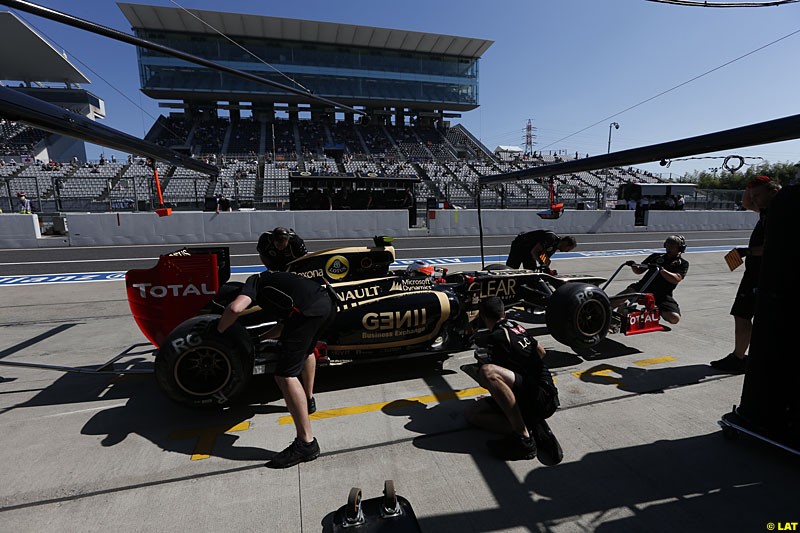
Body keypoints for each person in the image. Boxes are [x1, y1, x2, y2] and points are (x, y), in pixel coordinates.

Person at [216, 270, 336, 468]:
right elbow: (286, 325)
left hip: (308, 311)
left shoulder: (253, 281)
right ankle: (308, 399)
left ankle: (306, 443)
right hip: (326, 305)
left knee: (284, 376)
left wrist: (218, 330)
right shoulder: (276, 285)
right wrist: (260, 339)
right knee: (307, 351)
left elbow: (235, 309)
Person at [464, 297, 561, 462]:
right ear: (504, 312)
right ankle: (530, 425)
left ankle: (523, 440)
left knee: (487, 372)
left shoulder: (496, 337)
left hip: (539, 397)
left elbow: (495, 378)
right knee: (473, 414)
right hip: (546, 394)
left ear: (483, 316)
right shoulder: (517, 326)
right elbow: (541, 352)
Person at [711, 176, 781, 374]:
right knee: (741, 314)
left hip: (763, 273)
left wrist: (746, 251)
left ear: (773, 192)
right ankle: (740, 356)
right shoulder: (767, 210)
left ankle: (740, 358)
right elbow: (746, 202)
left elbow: (772, 248)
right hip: (755, 272)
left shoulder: (779, 214)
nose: (753, 200)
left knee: (743, 314)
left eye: (757, 195)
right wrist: (752, 185)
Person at [611, 234, 689, 324]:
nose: (669, 248)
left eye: (673, 246)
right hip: (643, 287)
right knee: (621, 296)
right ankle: (607, 312)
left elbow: (676, 278)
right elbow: (639, 271)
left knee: (674, 318)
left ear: (680, 248)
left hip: (663, 294)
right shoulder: (656, 257)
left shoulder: (682, 263)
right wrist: (633, 264)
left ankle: (655, 312)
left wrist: (661, 270)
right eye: (668, 245)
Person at [506, 230, 577, 271]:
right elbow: (535, 251)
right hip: (520, 245)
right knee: (512, 269)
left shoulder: (554, 247)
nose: (567, 251)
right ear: (565, 243)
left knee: (531, 271)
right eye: (568, 249)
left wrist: (547, 268)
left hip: (529, 251)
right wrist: (541, 263)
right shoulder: (550, 237)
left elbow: (543, 256)